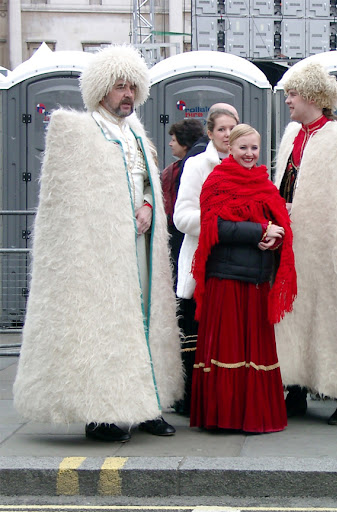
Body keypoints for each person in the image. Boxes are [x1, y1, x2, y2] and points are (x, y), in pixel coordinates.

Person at [12, 45, 183, 442]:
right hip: (97, 254)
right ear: (102, 89)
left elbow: (144, 181)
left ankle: (145, 406)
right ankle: (101, 414)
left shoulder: (136, 132)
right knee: (101, 328)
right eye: (119, 87)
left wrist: (145, 204)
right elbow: (66, 200)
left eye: (132, 87)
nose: (127, 95)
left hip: (139, 248)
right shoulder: (80, 132)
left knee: (143, 321)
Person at [274, 61, 337, 425]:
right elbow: (285, 186)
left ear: (314, 96)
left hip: (332, 243)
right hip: (296, 241)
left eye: (294, 93)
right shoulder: (292, 136)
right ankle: (296, 387)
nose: (288, 99)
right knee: (295, 315)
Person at [190, 124, 296, 432]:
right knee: (230, 347)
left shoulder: (264, 183)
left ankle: (252, 416)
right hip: (227, 277)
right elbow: (215, 228)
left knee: (253, 350)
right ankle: (224, 417)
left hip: (258, 277)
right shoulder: (217, 181)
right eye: (243, 148)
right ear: (230, 149)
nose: (249, 154)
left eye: (254, 148)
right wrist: (259, 232)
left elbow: (278, 224)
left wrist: (272, 238)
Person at [173, 107, 239, 416]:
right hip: (203, 264)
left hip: (237, 265)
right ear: (210, 134)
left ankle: (225, 401)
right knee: (196, 338)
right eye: (222, 129)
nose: (228, 134)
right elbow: (182, 217)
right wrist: (222, 219)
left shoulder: (247, 162)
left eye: (233, 128)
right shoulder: (197, 165)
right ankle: (192, 400)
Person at [161, 119, 205, 276]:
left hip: (182, 231)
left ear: (184, 143)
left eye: (174, 140)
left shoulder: (188, 166)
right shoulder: (194, 161)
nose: (170, 144)